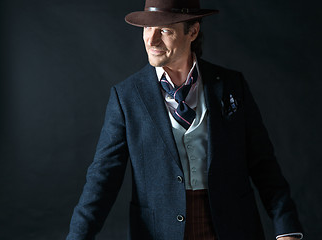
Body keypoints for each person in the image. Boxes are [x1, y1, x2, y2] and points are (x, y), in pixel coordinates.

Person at [66, 0, 303, 239]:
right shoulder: (126, 96)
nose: (151, 40)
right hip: (159, 232)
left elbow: (264, 165)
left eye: (165, 31)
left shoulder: (231, 85)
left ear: (193, 31)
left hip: (232, 227)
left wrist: (287, 229)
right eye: (148, 29)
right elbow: (102, 179)